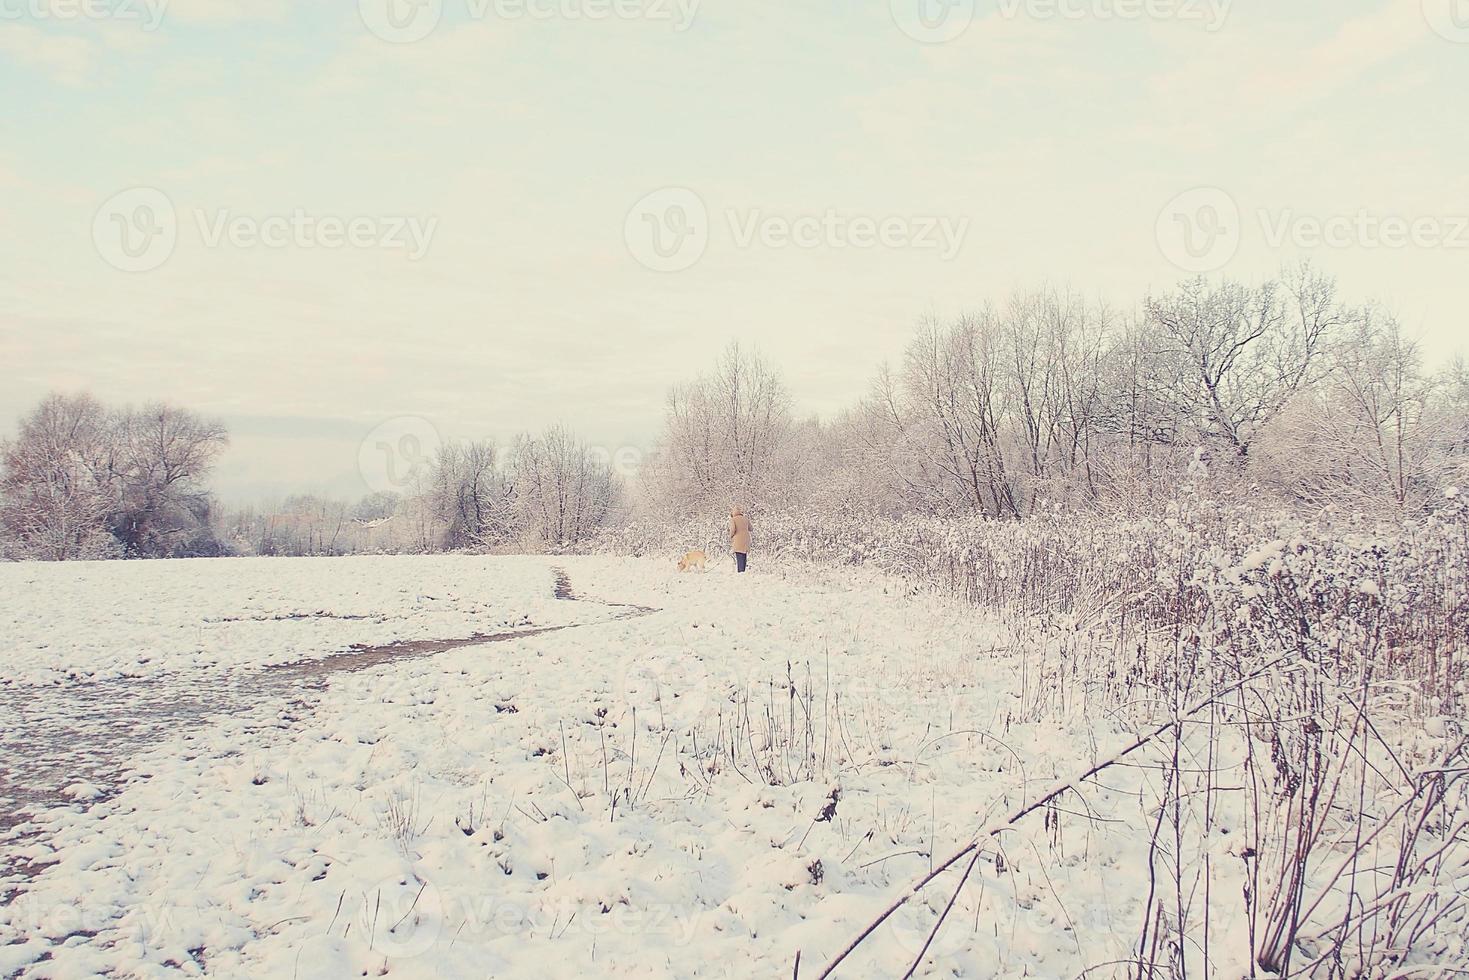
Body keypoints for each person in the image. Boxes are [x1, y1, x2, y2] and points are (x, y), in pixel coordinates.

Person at [729, 506, 752, 573]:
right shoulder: (745, 519)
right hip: (746, 539)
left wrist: (730, 536)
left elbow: (733, 530)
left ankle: (740, 571)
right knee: (744, 555)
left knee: (739, 555)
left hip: (738, 540)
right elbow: (751, 528)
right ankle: (743, 570)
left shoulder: (733, 519)